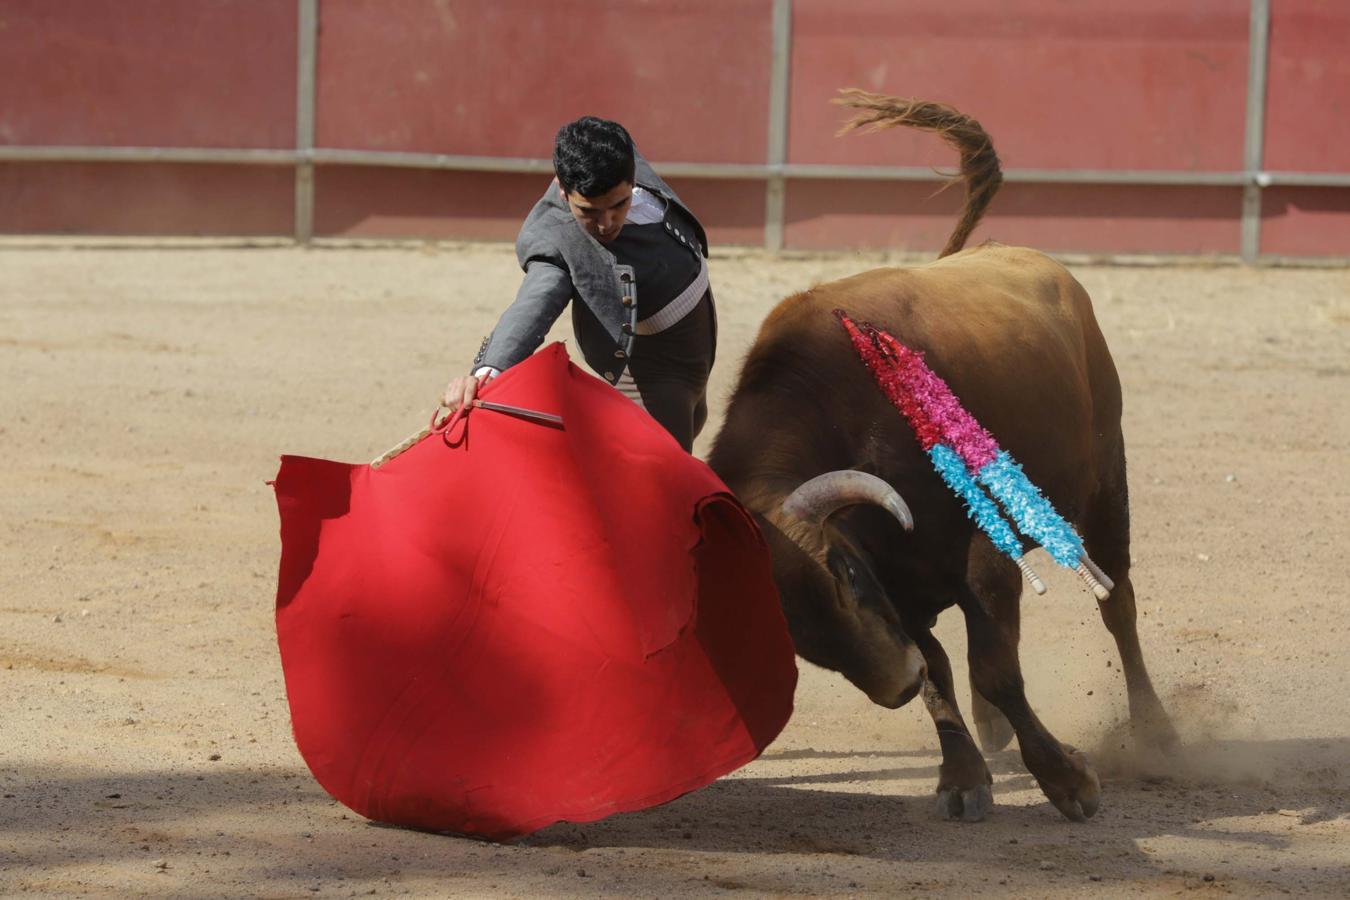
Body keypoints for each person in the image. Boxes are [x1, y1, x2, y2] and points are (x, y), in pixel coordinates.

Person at [441, 116, 716, 452]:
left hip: (698, 340)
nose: (607, 223)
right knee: (668, 475)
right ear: (562, 188)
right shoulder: (555, 238)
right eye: (589, 212)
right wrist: (487, 372)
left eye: (619, 204)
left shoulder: (619, 152)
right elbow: (534, 302)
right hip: (652, 368)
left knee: (696, 420)